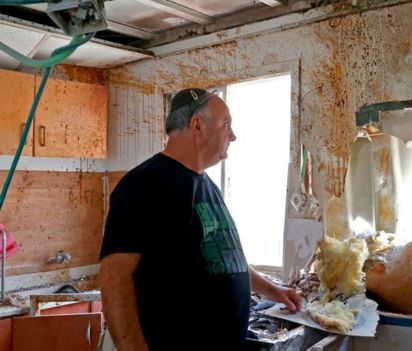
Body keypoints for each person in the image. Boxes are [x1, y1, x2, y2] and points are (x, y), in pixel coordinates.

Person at [99, 88, 301, 351]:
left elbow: (225, 259)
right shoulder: (144, 185)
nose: (233, 136)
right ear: (197, 125)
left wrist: (273, 290)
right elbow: (114, 278)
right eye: (225, 124)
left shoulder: (207, 184)